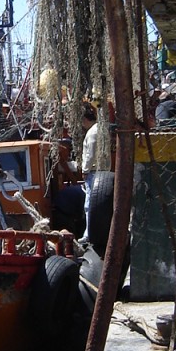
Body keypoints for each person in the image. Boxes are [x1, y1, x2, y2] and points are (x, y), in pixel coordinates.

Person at [78, 104, 99, 245]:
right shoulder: (99, 129)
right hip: (99, 171)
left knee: (89, 204)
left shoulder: (92, 132)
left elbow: (90, 154)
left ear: (85, 119)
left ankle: (89, 234)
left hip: (93, 172)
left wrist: (85, 170)